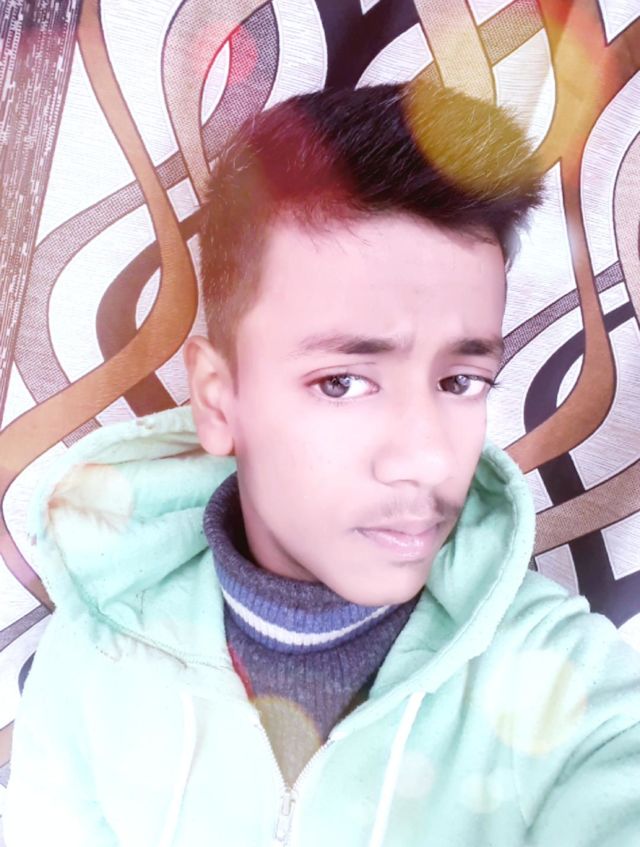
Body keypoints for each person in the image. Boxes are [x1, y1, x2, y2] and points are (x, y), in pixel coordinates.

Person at [5, 80, 640, 847]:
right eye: (342, 382)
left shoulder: (573, 687)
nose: (425, 455)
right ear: (219, 400)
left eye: (460, 381)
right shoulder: (93, 658)